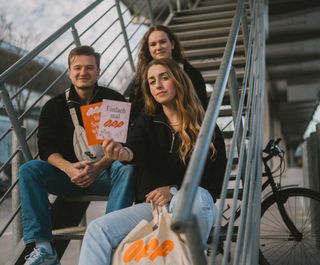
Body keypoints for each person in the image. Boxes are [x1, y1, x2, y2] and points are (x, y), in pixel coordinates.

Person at [78, 58, 227, 265]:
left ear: (178, 81)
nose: (157, 84)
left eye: (164, 78)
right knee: (97, 231)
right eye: (151, 81)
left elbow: (215, 182)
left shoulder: (206, 126)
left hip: (192, 205)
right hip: (151, 207)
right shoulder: (147, 121)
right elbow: (133, 147)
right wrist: (122, 153)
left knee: (193, 199)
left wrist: (174, 190)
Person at [19, 45, 135, 265]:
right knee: (29, 170)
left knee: (127, 167)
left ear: (98, 71)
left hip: (107, 175)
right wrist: (69, 168)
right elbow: (46, 148)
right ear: (69, 72)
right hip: (70, 175)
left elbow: (124, 145)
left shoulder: (114, 100)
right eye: (78, 67)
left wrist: (99, 167)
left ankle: (111, 241)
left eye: (89, 67)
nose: (83, 72)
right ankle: (42, 246)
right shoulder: (54, 106)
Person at [129, 24, 208, 121]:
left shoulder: (191, 73)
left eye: (162, 42)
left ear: (172, 44)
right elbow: (134, 110)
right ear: (148, 49)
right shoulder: (141, 78)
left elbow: (201, 105)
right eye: (153, 44)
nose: (158, 47)